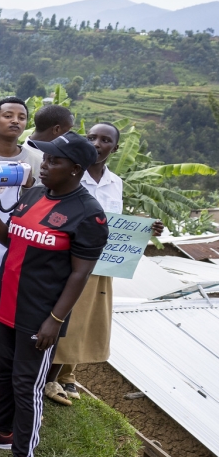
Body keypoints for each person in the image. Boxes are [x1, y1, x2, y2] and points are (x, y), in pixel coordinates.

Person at [0, 132, 108, 457]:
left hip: (40, 316)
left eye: (53, 161)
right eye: (44, 160)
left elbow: (80, 273)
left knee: (27, 385)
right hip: (5, 302)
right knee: (6, 371)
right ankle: (1, 431)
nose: (43, 166)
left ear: (75, 169)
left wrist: (55, 321)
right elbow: (11, 240)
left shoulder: (89, 214)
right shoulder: (33, 194)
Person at [46, 123, 163, 406]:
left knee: (86, 318)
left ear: (116, 148)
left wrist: (146, 229)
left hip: (102, 261)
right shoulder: (71, 175)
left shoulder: (115, 182)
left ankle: (67, 374)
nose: (97, 143)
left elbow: (115, 222)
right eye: (92, 138)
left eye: (105, 140)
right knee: (66, 313)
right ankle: (50, 374)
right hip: (70, 257)